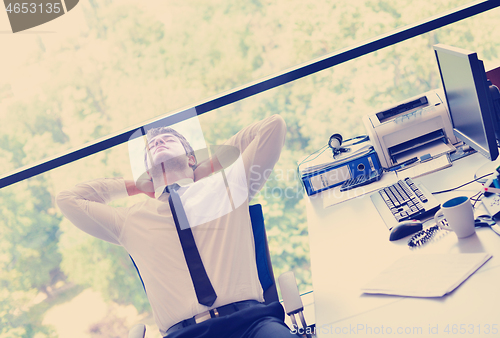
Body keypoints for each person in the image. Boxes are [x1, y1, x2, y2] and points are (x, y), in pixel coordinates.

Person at [56, 114, 294, 337]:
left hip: (251, 324)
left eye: (167, 139)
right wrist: (138, 185)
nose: (157, 141)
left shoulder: (229, 187)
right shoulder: (128, 220)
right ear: (147, 171)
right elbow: (68, 200)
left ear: (192, 158)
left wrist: (206, 167)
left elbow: (272, 127)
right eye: (151, 146)